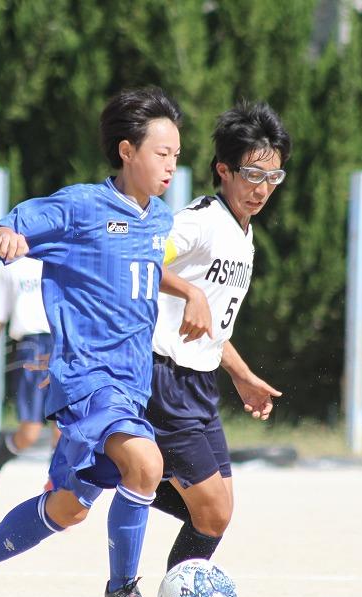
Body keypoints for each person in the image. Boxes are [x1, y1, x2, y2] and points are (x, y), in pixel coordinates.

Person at [0, 86, 182, 597]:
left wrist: (193, 291)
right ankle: (122, 591)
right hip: (87, 379)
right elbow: (12, 224)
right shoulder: (81, 207)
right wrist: (6, 238)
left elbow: (142, 270)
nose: (171, 164)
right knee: (146, 464)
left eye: (176, 154)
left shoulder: (159, 218)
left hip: (130, 385)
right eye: (162, 153)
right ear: (126, 151)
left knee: (66, 509)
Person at [148, 101, 290, 571]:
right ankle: (118, 472)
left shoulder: (242, 235)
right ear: (223, 170)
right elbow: (144, 260)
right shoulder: (202, 221)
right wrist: (188, 291)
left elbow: (215, 328)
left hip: (200, 384)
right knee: (213, 512)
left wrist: (243, 375)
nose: (262, 189)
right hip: (165, 378)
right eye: (252, 175)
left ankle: (120, 472)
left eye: (273, 177)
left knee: (218, 511)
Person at [0, 256, 60, 512]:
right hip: (30, 348)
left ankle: (56, 491)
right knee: (29, 433)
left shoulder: (61, 257)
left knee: (63, 429)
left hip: (61, 344)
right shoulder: (11, 269)